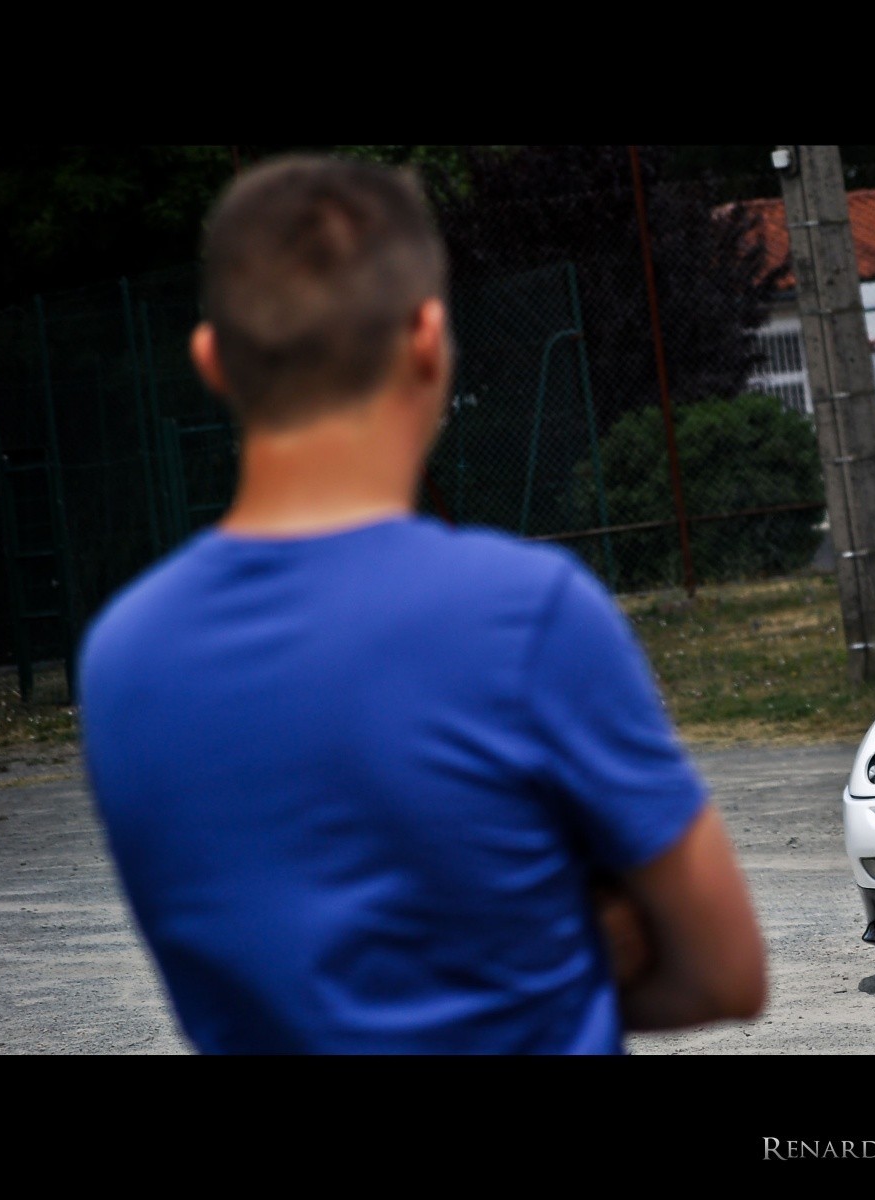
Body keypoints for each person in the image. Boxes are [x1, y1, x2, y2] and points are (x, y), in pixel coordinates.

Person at [77, 155, 767, 1053]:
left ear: (211, 358)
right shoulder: (528, 614)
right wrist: (563, 943)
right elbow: (725, 972)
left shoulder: (121, 657)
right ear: (430, 338)